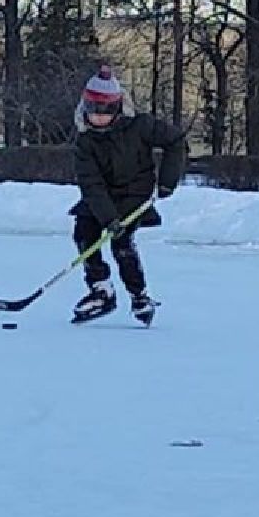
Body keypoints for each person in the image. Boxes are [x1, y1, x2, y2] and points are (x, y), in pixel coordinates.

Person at [70, 66, 187, 326]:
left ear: (118, 107)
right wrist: (108, 217)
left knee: (120, 243)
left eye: (106, 112)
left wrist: (168, 181)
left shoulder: (140, 125)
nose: (99, 118)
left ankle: (139, 296)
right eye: (93, 111)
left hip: (135, 195)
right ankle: (101, 289)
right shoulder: (85, 141)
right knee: (84, 233)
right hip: (102, 196)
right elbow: (91, 184)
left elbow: (176, 141)